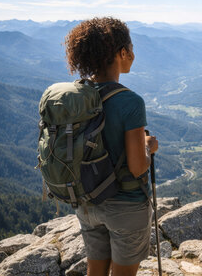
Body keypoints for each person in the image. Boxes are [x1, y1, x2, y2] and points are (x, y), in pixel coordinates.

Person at [65, 17, 158, 276]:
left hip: (87, 202)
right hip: (125, 207)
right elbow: (138, 167)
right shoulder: (130, 102)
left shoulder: (77, 96)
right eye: (131, 49)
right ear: (122, 53)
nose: (133, 55)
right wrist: (148, 147)